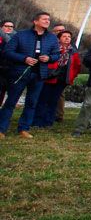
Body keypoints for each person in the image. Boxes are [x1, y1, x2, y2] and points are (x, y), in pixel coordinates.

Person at [0, 11, 61, 139]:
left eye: (48, 19)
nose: (47, 21)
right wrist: (24, 59)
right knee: (11, 101)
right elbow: (8, 51)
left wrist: (49, 58)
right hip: (20, 73)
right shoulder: (21, 35)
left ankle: (24, 128)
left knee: (32, 102)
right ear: (35, 21)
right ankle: (2, 129)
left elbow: (56, 55)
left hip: (39, 74)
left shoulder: (52, 38)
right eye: (44, 19)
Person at [35, 29, 81, 128]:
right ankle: (38, 121)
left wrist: (72, 76)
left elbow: (77, 65)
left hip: (62, 79)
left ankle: (49, 121)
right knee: (43, 99)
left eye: (69, 37)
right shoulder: (53, 48)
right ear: (59, 38)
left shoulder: (73, 51)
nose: (67, 38)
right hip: (49, 77)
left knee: (54, 100)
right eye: (64, 36)